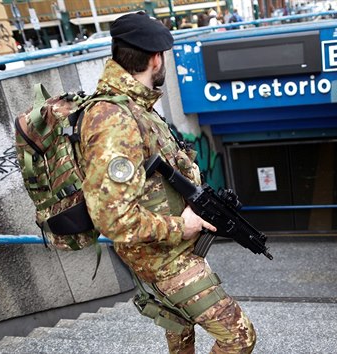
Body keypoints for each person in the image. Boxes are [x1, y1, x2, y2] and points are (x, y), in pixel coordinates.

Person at [78, 12, 256, 353]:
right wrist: (181, 225)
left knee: (180, 328)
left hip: (169, 247)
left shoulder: (136, 107)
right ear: (155, 59)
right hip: (163, 255)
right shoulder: (115, 119)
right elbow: (112, 219)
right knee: (238, 336)